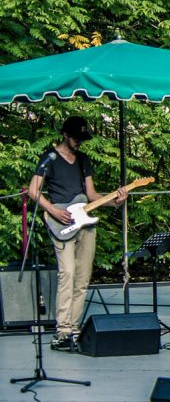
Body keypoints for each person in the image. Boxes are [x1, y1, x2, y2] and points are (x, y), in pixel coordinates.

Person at [27, 116, 127, 351]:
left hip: (86, 224)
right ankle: (61, 331)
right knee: (67, 274)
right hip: (60, 222)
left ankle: (73, 329)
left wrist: (115, 201)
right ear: (65, 135)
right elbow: (33, 190)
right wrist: (53, 210)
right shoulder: (49, 158)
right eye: (75, 138)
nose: (79, 142)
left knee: (82, 278)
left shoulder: (83, 160)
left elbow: (91, 195)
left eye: (81, 138)